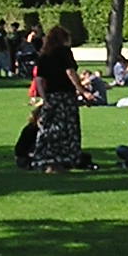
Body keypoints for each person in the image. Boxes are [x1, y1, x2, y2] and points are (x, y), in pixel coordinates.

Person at [32, 24, 85, 171]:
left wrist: (44, 98)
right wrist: (82, 90)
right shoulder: (64, 52)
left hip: (51, 96)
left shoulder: (44, 55)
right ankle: (68, 157)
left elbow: (39, 80)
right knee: (68, 127)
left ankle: (46, 157)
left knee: (49, 128)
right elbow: (70, 72)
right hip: (65, 95)